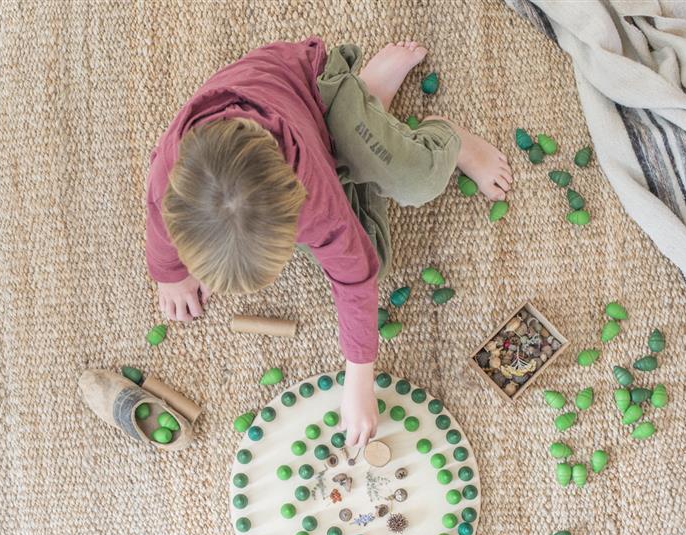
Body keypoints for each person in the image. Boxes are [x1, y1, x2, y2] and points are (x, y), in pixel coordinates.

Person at [145, 37, 512, 447]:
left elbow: (355, 276)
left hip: (318, 93)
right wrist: (171, 275)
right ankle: (371, 110)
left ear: (295, 206)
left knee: (416, 182)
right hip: (289, 136)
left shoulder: (313, 191)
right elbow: (159, 226)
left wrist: (359, 379)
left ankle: (428, 129)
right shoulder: (169, 175)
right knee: (372, 249)